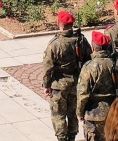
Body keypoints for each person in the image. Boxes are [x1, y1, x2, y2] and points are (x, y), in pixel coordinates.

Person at [43, 10, 91, 141]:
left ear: (60, 24)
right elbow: (89, 60)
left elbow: (48, 67)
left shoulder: (55, 44)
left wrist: (46, 85)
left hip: (59, 84)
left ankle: (62, 138)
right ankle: (72, 137)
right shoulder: (81, 40)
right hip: (76, 83)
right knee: (73, 113)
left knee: (58, 114)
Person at [79, 32, 118, 141]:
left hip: (93, 114)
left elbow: (83, 93)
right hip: (115, 111)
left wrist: (79, 112)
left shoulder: (89, 67)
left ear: (93, 47)